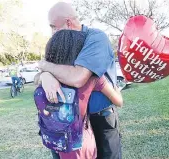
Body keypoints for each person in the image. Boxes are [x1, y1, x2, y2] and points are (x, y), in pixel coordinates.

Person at [37, 2, 122, 159]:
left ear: (68, 23)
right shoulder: (62, 45)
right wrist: (44, 74)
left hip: (99, 119)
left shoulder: (96, 38)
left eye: (54, 27)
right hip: (67, 127)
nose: (52, 32)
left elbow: (78, 78)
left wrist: (45, 67)